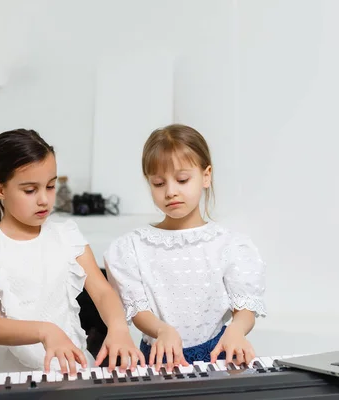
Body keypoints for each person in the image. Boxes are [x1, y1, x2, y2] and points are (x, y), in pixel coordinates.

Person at [0, 129, 144, 375]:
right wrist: (46, 331)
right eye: (30, 190)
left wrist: (119, 328)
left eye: (50, 186)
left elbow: (102, 292)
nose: (44, 200)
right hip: (15, 377)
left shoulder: (67, 235)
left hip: (75, 369)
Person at [104, 124, 266, 371]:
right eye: (158, 183)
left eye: (182, 180)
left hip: (217, 357)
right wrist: (162, 330)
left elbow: (244, 307)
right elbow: (138, 310)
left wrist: (236, 329)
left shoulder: (229, 244)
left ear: (206, 176)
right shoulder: (133, 246)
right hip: (158, 361)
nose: (170, 192)